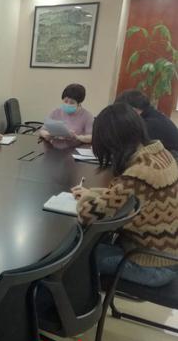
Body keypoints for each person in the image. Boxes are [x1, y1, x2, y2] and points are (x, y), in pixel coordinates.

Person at [71, 103, 178, 287]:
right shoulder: (161, 154)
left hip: (150, 265)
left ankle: (80, 304)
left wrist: (87, 199)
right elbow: (128, 197)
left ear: (114, 142)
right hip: (166, 256)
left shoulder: (139, 173)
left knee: (74, 257)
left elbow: (88, 214)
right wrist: (94, 192)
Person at [115, 89, 178, 158]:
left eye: (123, 112)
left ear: (132, 109)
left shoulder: (150, 124)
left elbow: (131, 150)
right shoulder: (154, 116)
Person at [39, 83, 93, 149]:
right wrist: (47, 135)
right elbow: (42, 130)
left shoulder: (87, 116)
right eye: (65, 101)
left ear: (79, 103)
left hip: (74, 149)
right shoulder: (56, 112)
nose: (68, 104)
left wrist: (77, 137)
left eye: (72, 102)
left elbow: (91, 137)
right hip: (54, 148)